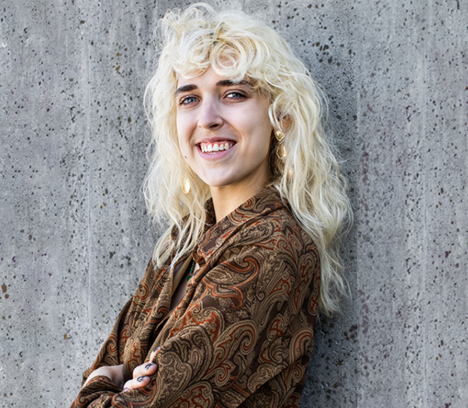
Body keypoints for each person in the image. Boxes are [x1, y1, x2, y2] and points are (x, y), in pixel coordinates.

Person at [71, 4, 352, 407]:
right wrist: (112, 377)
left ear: (280, 118)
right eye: (189, 99)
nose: (207, 118)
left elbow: (110, 386)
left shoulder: (273, 249)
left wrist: (104, 382)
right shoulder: (181, 242)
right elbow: (112, 367)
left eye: (233, 94)